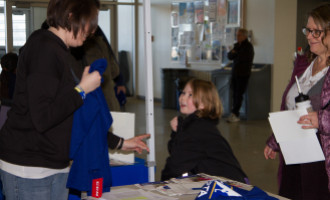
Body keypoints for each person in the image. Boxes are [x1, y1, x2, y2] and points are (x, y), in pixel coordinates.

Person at [0, 1, 149, 200]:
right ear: (71, 16)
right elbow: (43, 117)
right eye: (90, 22)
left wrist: (120, 143)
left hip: (53, 163)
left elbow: (74, 116)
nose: (93, 30)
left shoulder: (60, 51)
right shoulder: (44, 49)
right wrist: (82, 90)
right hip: (30, 167)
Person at [264, 3, 330, 199]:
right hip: (295, 152)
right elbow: (290, 106)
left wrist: (322, 119)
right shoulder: (303, 64)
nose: (309, 36)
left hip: (322, 159)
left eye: (316, 32)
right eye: (307, 30)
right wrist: (276, 139)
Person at [161, 79, 247, 183]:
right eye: (183, 93)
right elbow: (178, 151)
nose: (183, 97)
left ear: (203, 104)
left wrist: (162, 186)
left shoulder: (197, 129)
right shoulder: (198, 124)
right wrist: (176, 133)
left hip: (232, 187)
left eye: (190, 95)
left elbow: (176, 165)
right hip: (226, 182)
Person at [226, 28, 254, 123]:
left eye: (239, 35)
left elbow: (243, 57)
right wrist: (234, 52)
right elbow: (229, 56)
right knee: (234, 94)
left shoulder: (248, 46)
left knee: (239, 94)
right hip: (235, 73)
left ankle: (236, 114)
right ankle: (234, 113)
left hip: (243, 74)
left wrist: (235, 52)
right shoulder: (237, 45)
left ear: (244, 36)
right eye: (236, 35)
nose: (237, 37)